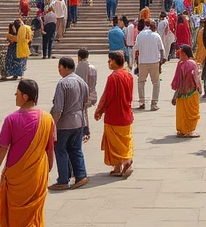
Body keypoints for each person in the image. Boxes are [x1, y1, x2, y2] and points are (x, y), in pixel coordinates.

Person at [0, 79, 56, 227]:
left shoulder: (11, 119)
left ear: (25, 96)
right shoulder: (47, 118)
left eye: (17, 94)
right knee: (33, 217)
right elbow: (50, 148)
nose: (16, 97)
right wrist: (47, 170)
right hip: (37, 175)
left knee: (14, 216)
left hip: (15, 178)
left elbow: (3, 148)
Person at [49, 56, 90, 190]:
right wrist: (86, 126)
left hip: (64, 123)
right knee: (76, 149)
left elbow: (58, 108)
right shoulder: (82, 82)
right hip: (79, 121)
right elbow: (85, 106)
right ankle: (80, 175)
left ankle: (63, 179)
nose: (59, 70)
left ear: (65, 67)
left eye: (59, 67)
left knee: (61, 150)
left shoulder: (63, 83)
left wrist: (52, 125)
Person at [94, 50, 135, 178]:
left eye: (109, 60)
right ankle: (118, 167)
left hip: (114, 115)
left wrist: (99, 110)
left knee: (114, 143)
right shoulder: (128, 75)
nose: (108, 63)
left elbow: (107, 96)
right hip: (126, 114)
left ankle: (125, 161)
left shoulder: (113, 77)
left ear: (115, 61)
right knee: (124, 140)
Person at [171, 44, 201, 137]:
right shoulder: (189, 64)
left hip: (184, 92)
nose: (180, 56)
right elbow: (196, 79)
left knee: (186, 112)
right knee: (186, 113)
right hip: (188, 92)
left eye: (182, 54)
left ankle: (183, 130)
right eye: (180, 54)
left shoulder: (186, 64)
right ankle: (188, 131)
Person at [134, 19, 164, 111]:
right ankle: (154, 104)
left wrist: (136, 62)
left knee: (141, 82)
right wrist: (161, 61)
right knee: (156, 83)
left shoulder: (140, 36)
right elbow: (161, 49)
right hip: (154, 61)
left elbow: (136, 49)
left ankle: (142, 102)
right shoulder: (156, 35)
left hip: (143, 62)